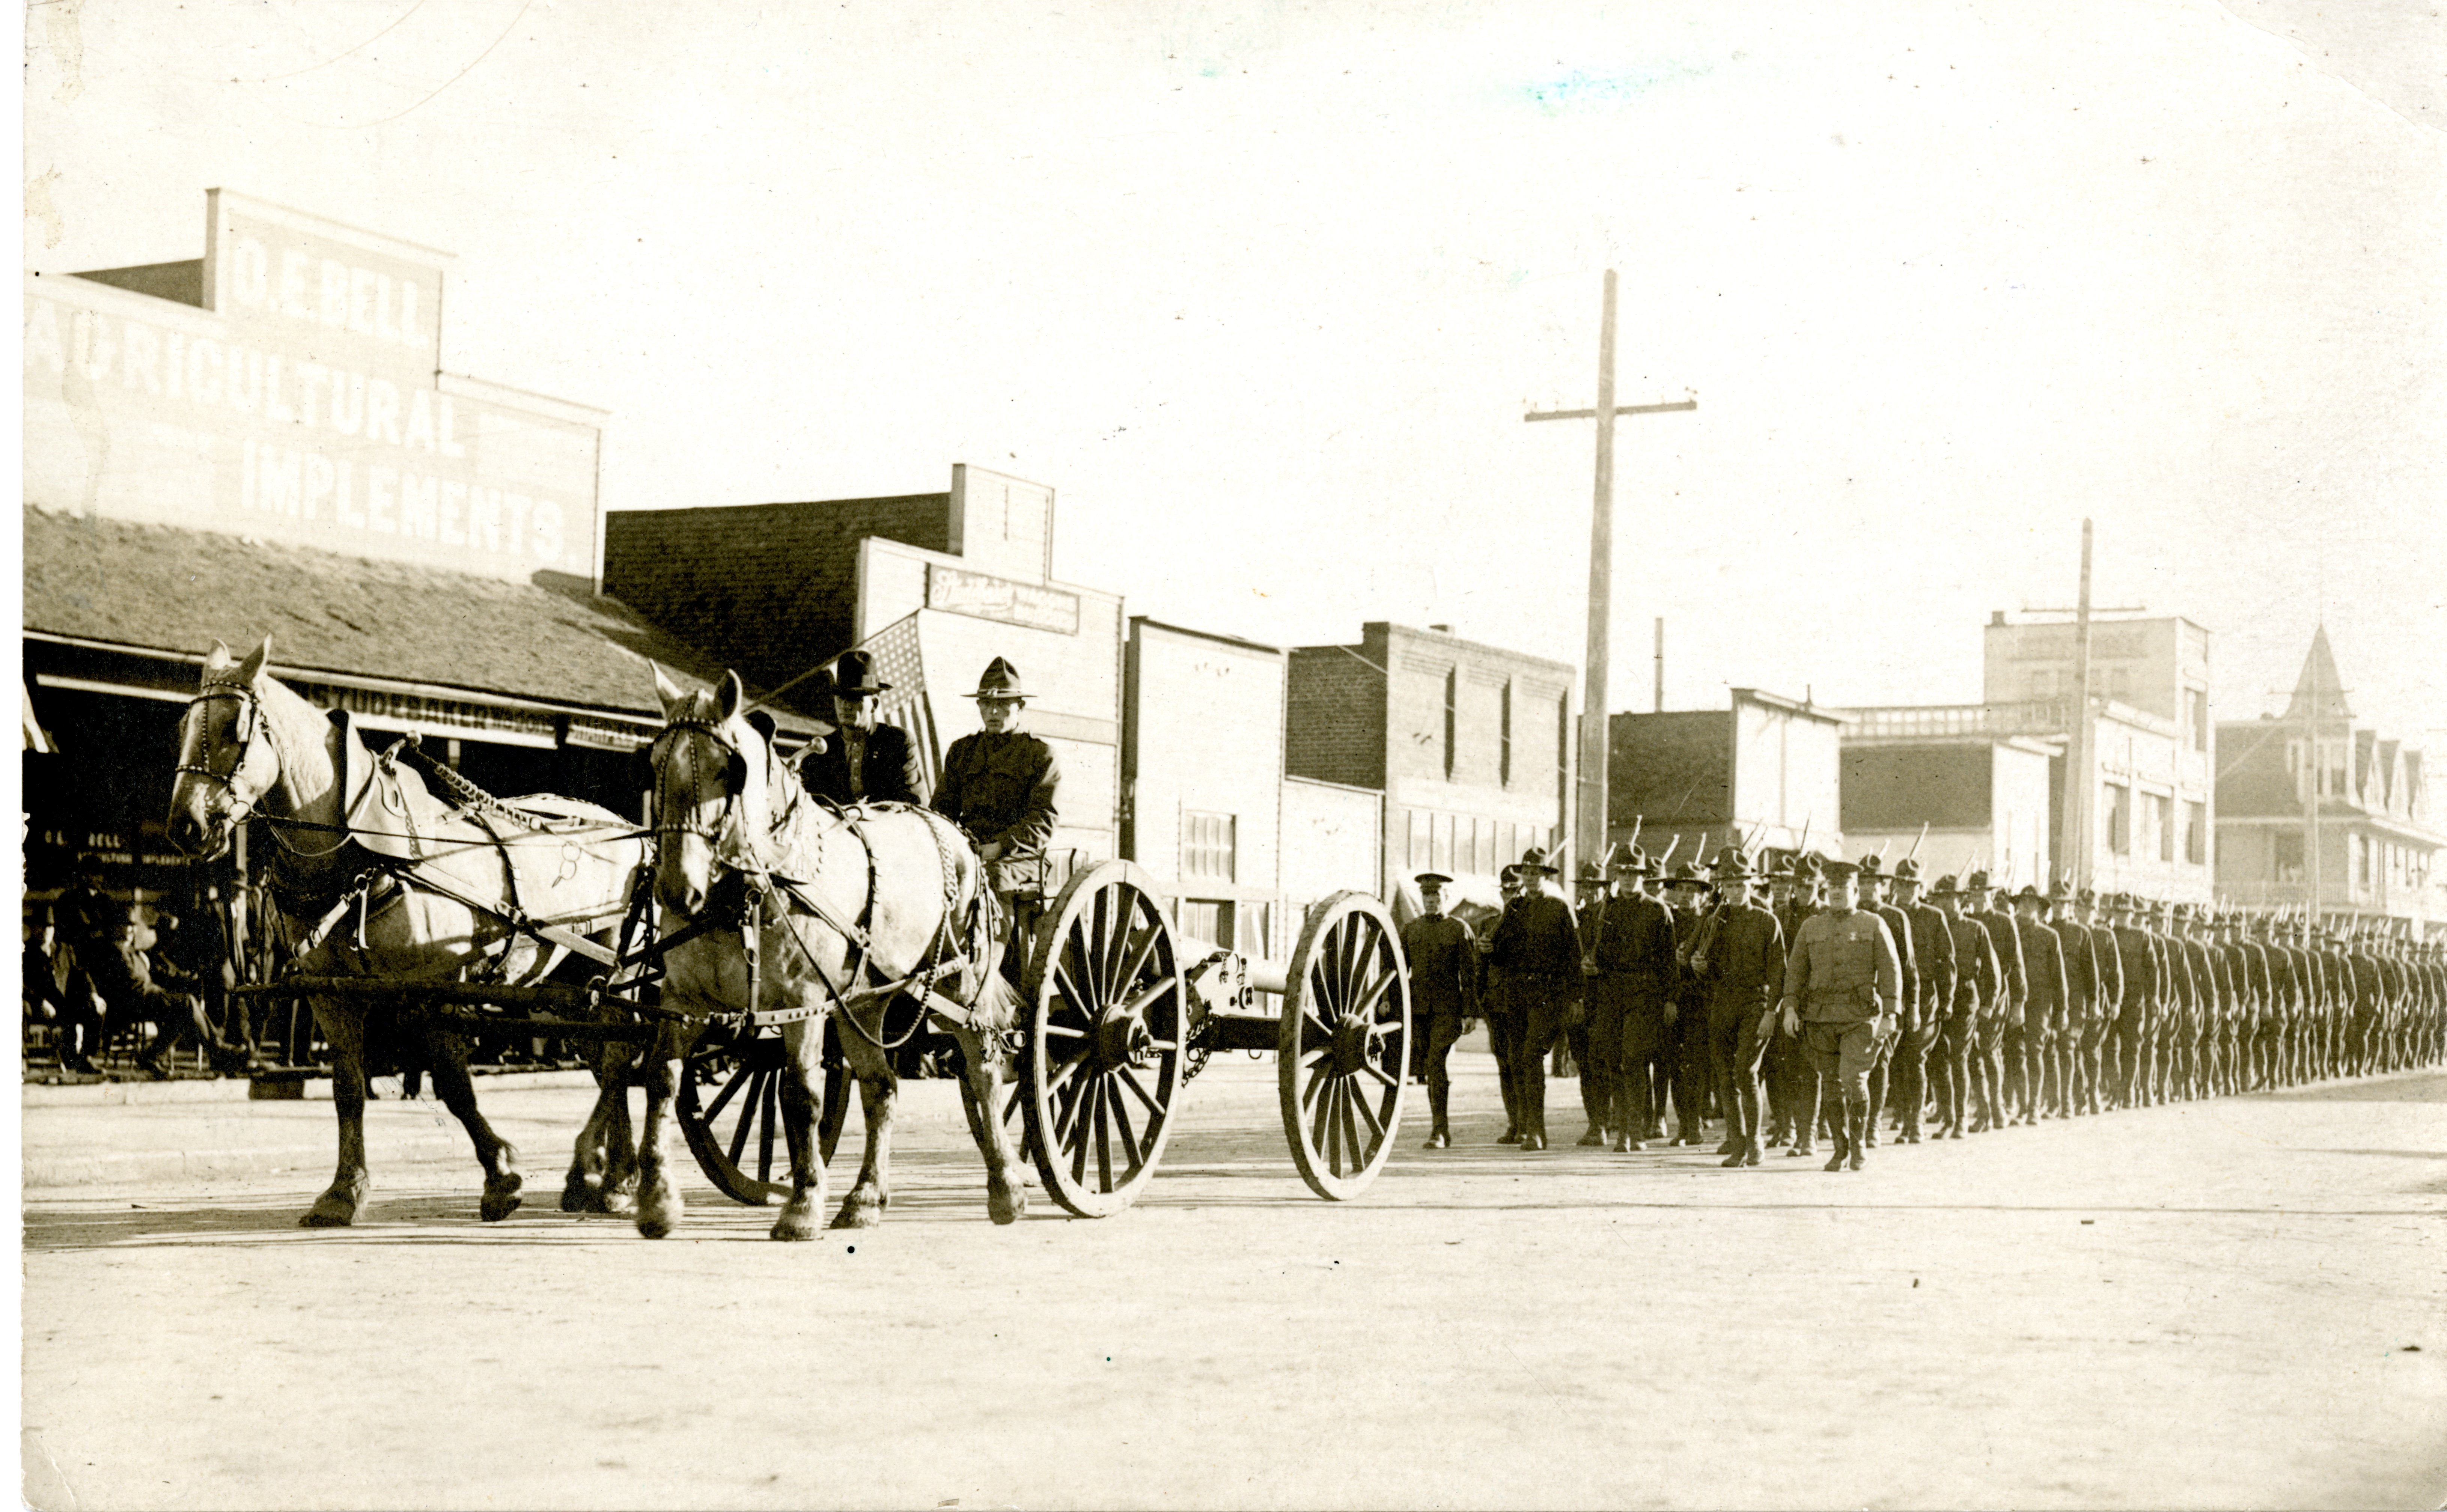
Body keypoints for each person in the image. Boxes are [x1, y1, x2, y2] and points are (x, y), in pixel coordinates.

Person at [1774, 860, 1902, 1172]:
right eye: (1831, 888)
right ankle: (1840, 1149)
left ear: (1855, 891)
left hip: (1859, 1018)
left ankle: (1858, 1146)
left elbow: (1890, 970)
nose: (1836, 893)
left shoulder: (1873, 924)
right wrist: (1790, 1008)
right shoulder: (1811, 927)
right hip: (1820, 1019)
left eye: (1842, 888)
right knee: (1831, 1084)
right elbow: (1795, 973)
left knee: (1852, 1080)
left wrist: (1890, 1013)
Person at [932, 657, 1061, 914]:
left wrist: (1000, 846)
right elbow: (941, 811)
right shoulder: (962, 751)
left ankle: (997, 942)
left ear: (1020, 707)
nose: (993, 713)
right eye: (986, 704)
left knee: (991, 879)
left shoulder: (1039, 754)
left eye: (1002, 705)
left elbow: (1043, 819)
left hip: (1019, 857)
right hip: (968, 850)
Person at [1689, 854, 1784, 1166]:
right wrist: (1699, 967)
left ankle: (1754, 1142)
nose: (1736, 891)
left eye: (1742, 885)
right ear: (1723, 888)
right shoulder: (1714, 922)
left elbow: (1778, 972)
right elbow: (1707, 970)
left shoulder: (1766, 921)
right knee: (1724, 1076)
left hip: (1755, 1003)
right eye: (1730, 886)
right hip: (1722, 1004)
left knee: (1745, 1071)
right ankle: (1738, 1142)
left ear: (1751, 886)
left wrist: (1771, 1012)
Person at [1486, 846, 1581, 1151]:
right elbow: (1500, 954)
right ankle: (1527, 1126)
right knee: (1516, 1058)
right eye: (1526, 873)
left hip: (1548, 993)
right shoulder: (1513, 908)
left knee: (1531, 1055)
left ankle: (1536, 1131)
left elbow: (1573, 954)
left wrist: (1575, 997)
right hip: (1516, 993)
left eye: (1535, 873)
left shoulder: (1558, 908)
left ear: (1544, 876)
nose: (1530, 878)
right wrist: (1489, 949)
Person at [1586, 847, 1675, 1151]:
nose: (1627, 879)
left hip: (1644, 994)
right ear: (1616, 876)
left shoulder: (1657, 911)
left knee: (1634, 1060)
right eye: (1622, 873)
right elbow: (1593, 950)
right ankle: (1623, 1128)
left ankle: (1634, 1131)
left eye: (1633, 874)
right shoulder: (1605, 911)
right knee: (1613, 1060)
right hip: (1610, 992)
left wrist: (1670, 999)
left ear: (1642, 877)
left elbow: (1668, 962)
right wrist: (1590, 966)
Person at [1401, 873, 1479, 1149]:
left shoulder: (1458, 929)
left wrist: (1470, 1012)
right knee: (1428, 1065)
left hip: (1448, 1009)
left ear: (1446, 898)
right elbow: (1397, 970)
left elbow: (1469, 974)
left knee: (1435, 1062)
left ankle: (1439, 1131)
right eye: (1427, 897)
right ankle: (1439, 1128)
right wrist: (1389, 1001)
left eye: (1436, 897)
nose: (1431, 902)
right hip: (1419, 1009)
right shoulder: (1411, 930)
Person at [798, 649, 923, 808]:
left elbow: (912, 803)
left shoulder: (896, 743)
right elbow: (809, 806)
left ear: (874, 705)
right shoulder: (819, 752)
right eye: (841, 697)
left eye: (855, 698)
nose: (846, 706)